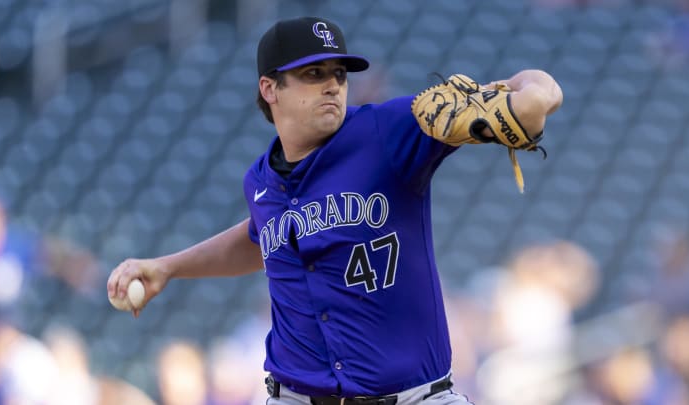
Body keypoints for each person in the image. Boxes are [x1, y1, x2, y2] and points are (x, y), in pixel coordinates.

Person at [107, 16, 563, 404]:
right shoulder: (261, 181)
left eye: (339, 74)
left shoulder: (387, 132)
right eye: (313, 73)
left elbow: (536, 103)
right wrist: (167, 267)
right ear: (270, 88)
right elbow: (264, 238)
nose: (332, 85)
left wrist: (530, 86)